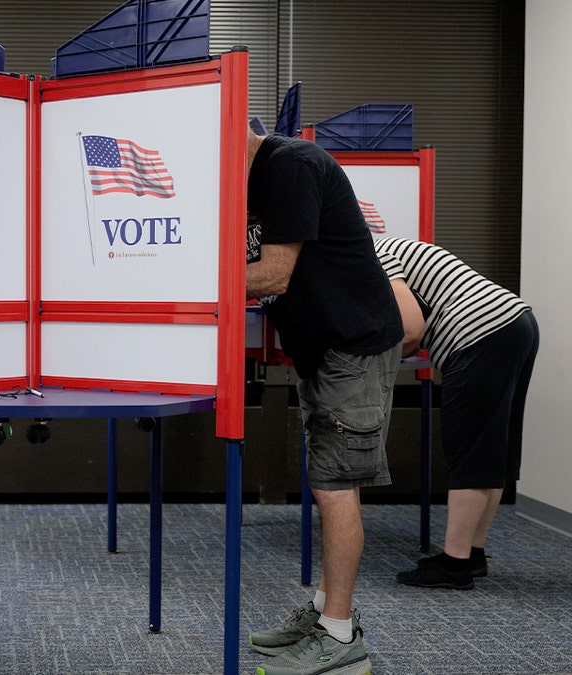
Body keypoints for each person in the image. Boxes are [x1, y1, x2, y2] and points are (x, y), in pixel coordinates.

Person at [244, 129, 403, 675]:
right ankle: (323, 612)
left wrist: (191, 286)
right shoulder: (255, 181)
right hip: (326, 349)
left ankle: (339, 636)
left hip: (352, 348)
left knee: (335, 486)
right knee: (327, 480)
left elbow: (274, 273)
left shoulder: (290, 165)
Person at [375, 236, 538, 590]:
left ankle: (455, 565)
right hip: (515, 323)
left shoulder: (374, 253)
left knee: (468, 448)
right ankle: (471, 553)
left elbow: (411, 330)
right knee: (492, 448)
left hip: (480, 334)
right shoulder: (392, 245)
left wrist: (372, 364)